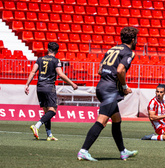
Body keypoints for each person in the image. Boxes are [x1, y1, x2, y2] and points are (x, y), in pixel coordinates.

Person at [77, 27, 139, 161]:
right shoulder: (129, 52)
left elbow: (100, 69)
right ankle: (83, 150)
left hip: (101, 86)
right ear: (133, 40)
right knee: (102, 121)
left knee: (117, 119)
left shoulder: (112, 49)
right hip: (111, 90)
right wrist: (124, 86)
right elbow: (120, 70)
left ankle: (123, 151)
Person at [25, 42, 78, 141]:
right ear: (57, 51)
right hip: (49, 87)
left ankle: (49, 135)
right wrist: (72, 84)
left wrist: (27, 84)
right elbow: (61, 74)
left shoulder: (40, 59)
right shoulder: (56, 60)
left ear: (48, 49)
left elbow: (33, 71)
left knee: (47, 112)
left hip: (39, 87)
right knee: (52, 111)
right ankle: (36, 126)